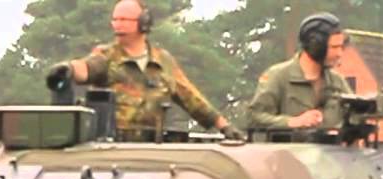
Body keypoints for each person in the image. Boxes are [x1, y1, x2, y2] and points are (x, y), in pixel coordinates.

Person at [45, 0, 245, 141]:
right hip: (112, 147)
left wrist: (224, 126)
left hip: (151, 148)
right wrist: (68, 69)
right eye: (115, 19)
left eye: (125, 19)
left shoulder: (162, 61)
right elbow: (86, 68)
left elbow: (191, 98)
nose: (118, 25)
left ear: (143, 22)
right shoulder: (107, 56)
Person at [248, 13, 355, 130]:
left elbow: (356, 116)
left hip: (330, 142)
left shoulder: (337, 82)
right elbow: (255, 117)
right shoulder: (278, 76)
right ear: (315, 46)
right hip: (288, 142)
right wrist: (292, 122)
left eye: (341, 47)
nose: (339, 53)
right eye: (334, 47)